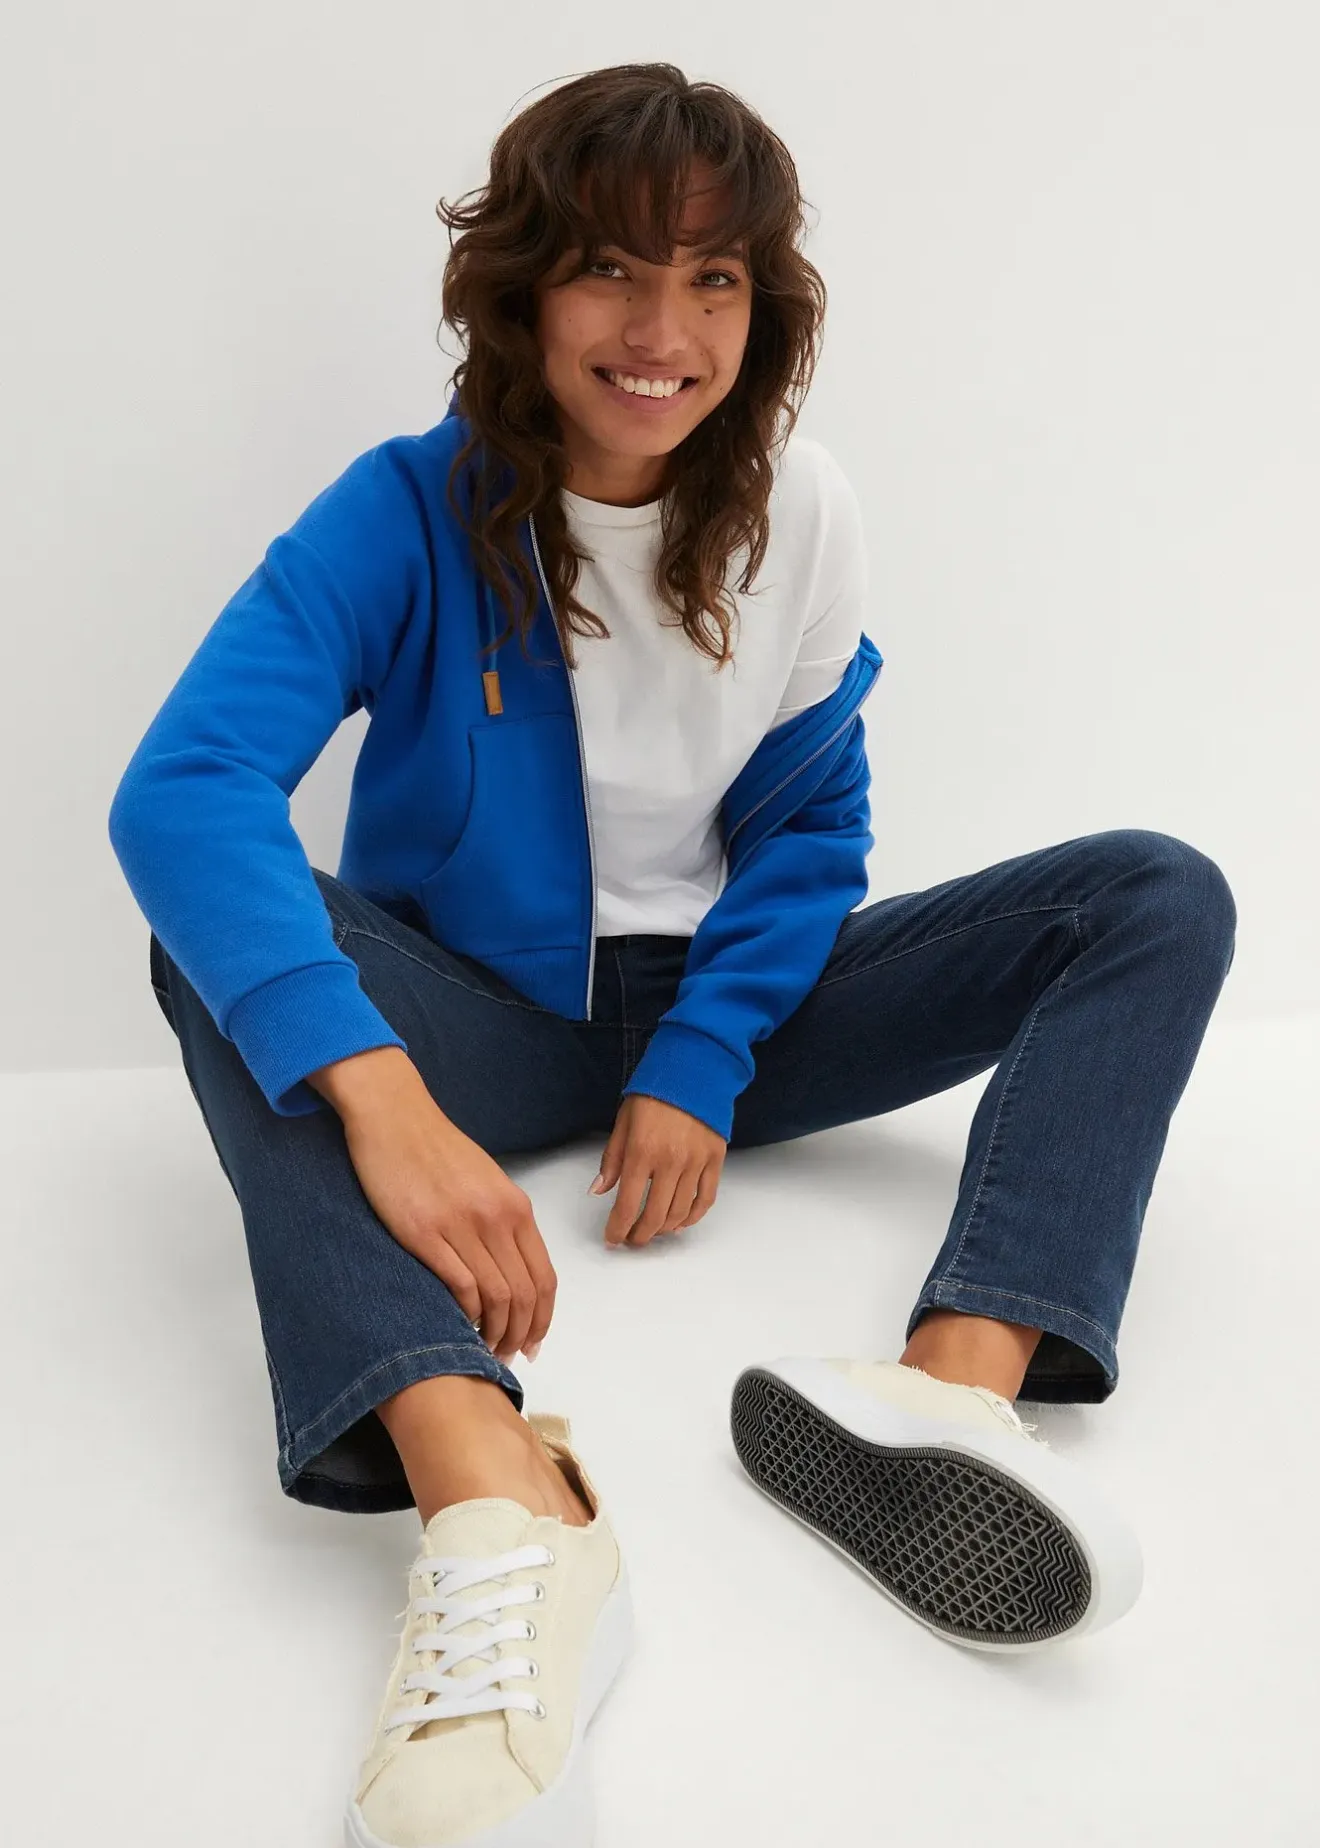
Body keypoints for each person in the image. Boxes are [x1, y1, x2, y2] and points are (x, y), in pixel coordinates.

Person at [108, 62, 1236, 1848]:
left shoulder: (805, 508)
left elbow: (811, 829)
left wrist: (701, 1063)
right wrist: (388, 1101)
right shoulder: (401, 512)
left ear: (762, 306)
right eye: (612, 271)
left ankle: (950, 1394)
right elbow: (184, 791)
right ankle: (496, 1495)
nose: (662, 333)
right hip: (479, 1023)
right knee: (218, 949)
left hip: (737, 1011)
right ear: (522, 291)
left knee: (1156, 896)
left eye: (713, 280)